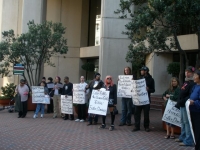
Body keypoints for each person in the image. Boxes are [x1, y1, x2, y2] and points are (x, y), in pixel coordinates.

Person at [175, 66, 195, 146]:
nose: (187, 73)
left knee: (186, 123)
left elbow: (190, 95)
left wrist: (182, 100)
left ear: (193, 73)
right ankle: (182, 137)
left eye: (189, 72)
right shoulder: (186, 82)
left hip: (185, 104)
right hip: (182, 104)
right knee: (183, 122)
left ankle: (188, 140)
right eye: (186, 71)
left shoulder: (192, 83)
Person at [133, 66, 155, 132]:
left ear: (146, 71)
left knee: (146, 114)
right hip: (139, 99)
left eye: (142, 70)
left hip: (146, 99)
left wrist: (148, 89)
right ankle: (137, 126)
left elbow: (153, 90)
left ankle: (146, 126)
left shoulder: (151, 79)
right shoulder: (139, 78)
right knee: (136, 113)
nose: (141, 71)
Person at [188, 69, 200, 150]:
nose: (194, 77)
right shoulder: (195, 86)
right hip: (192, 111)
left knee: (198, 131)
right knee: (194, 130)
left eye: (196, 75)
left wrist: (194, 103)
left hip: (198, 112)